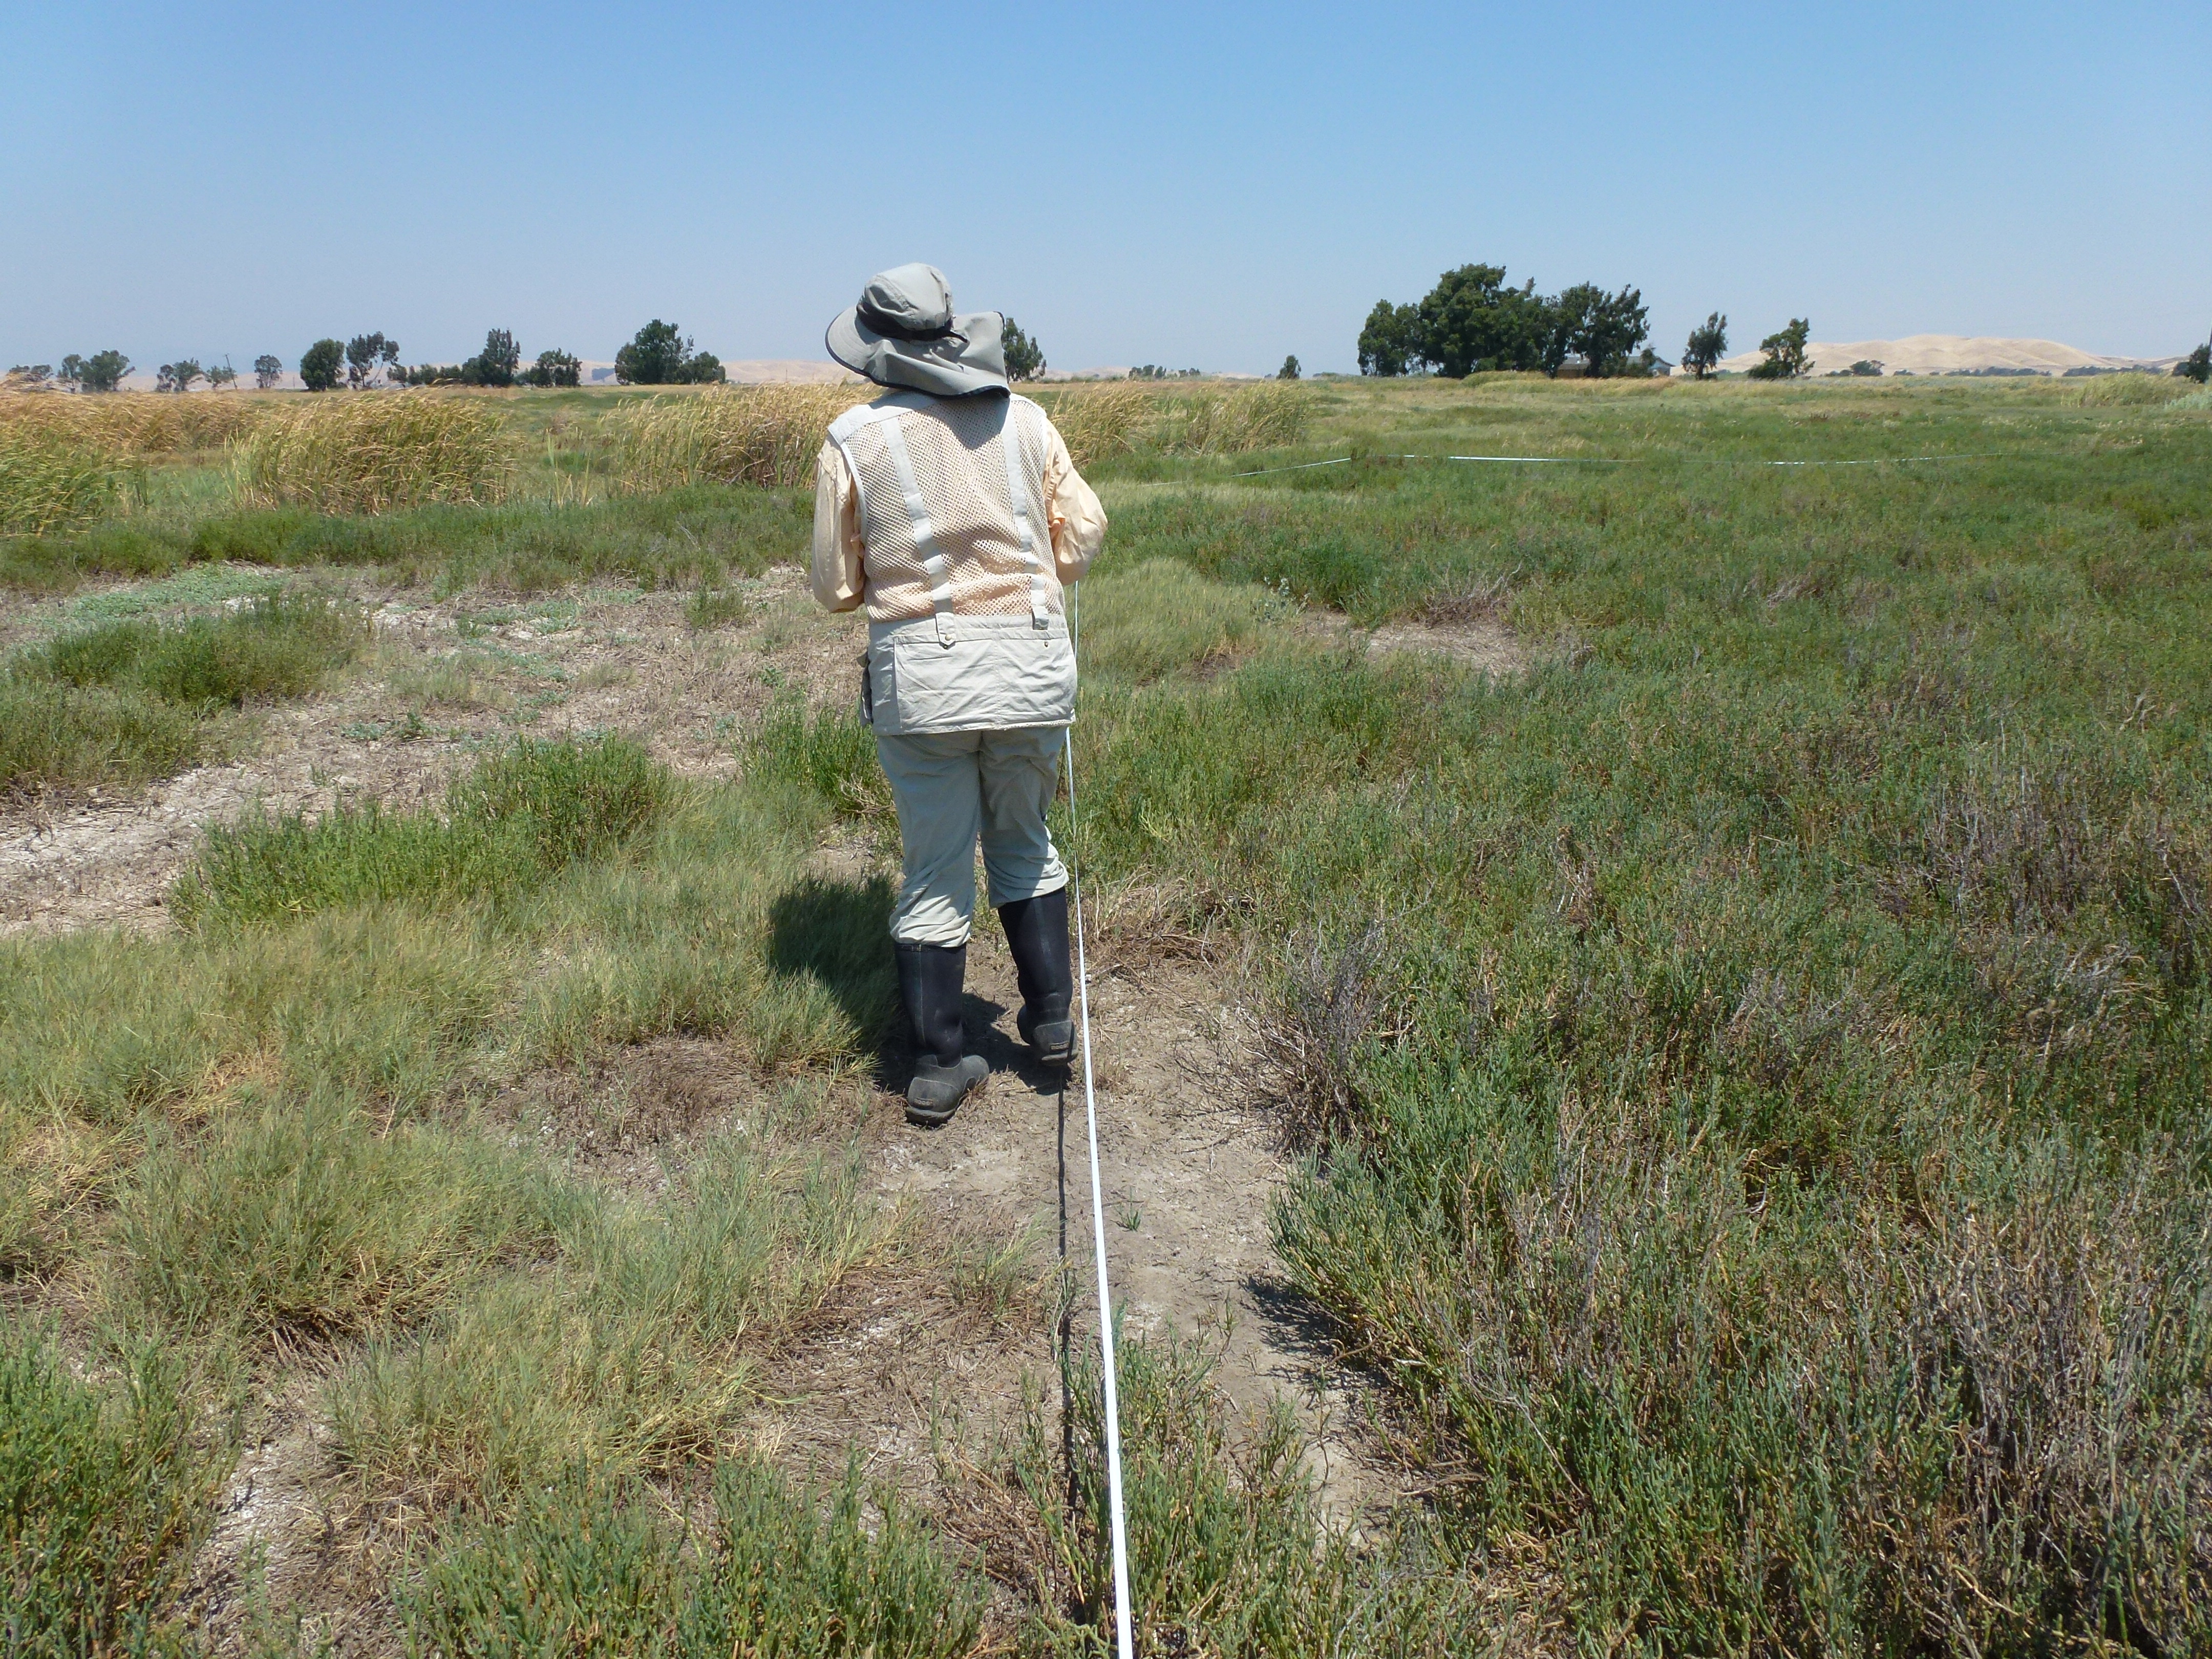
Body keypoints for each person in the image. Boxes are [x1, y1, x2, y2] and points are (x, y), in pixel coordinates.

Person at [811, 264, 1107, 1126]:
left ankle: (940, 1061)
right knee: (1026, 839)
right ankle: (1050, 1021)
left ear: (878, 349)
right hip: (1031, 668)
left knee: (936, 867)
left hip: (924, 683)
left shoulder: (852, 438)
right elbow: (1083, 535)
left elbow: (835, 587)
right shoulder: (1029, 419)